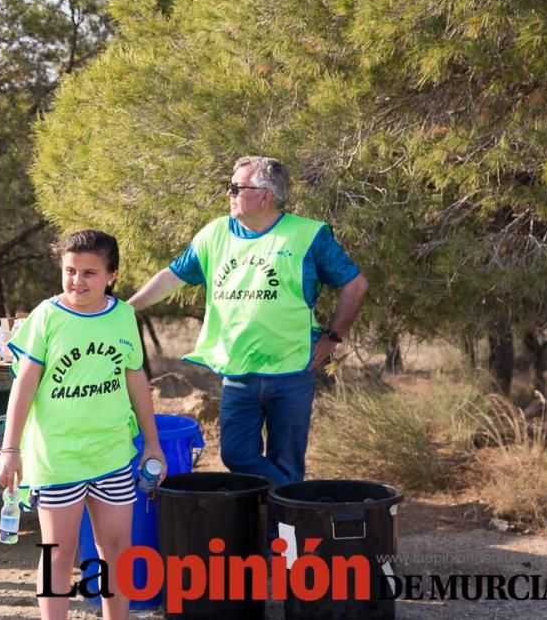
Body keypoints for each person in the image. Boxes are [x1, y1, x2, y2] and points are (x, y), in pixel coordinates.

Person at [128, 156, 368, 486]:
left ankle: (282, 534)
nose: (229, 193)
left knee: (287, 459)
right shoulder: (214, 235)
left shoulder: (308, 235)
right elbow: (171, 277)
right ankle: (295, 502)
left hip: (292, 369)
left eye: (236, 187)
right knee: (236, 455)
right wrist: (127, 308)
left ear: (265, 196)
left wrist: (334, 337)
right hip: (239, 372)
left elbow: (355, 283)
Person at [0, 229, 165, 620]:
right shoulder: (46, 317)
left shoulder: (123, 315)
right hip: (59, 458)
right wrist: (10, 448)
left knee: (116, 550)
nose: (77, 281)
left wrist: (152, 443)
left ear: (112, 276)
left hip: (113, 453)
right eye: (70, 270)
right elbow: (23, 385)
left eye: (89, 273)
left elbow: (135, 378)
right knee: (59, 553)